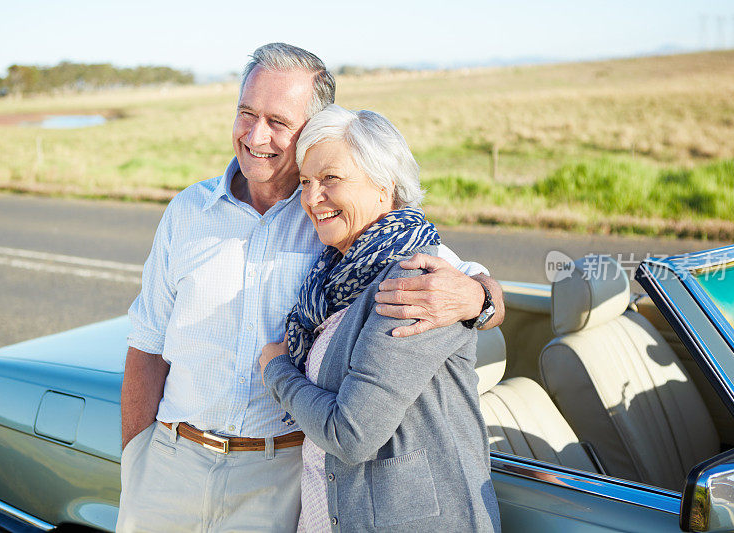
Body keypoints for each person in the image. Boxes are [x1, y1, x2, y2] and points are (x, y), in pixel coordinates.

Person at [118, 43, 504, 532]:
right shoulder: (188, 212)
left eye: (278, 121)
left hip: (277, 481)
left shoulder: (339, 225)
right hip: (170, 466)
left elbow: (458, 279)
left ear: (311, 132)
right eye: (246, 113)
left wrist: (480, 296)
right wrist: (138, 461)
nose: (257, 135)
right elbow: (148, 344)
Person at [259, 105, 501, 532]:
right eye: (305, 182)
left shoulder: (415, 280)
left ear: (384, 186)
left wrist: (276, 371)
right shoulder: (335, 274)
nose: (312, 198)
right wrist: (483, 292)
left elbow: (351, 434)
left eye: (330, 179)